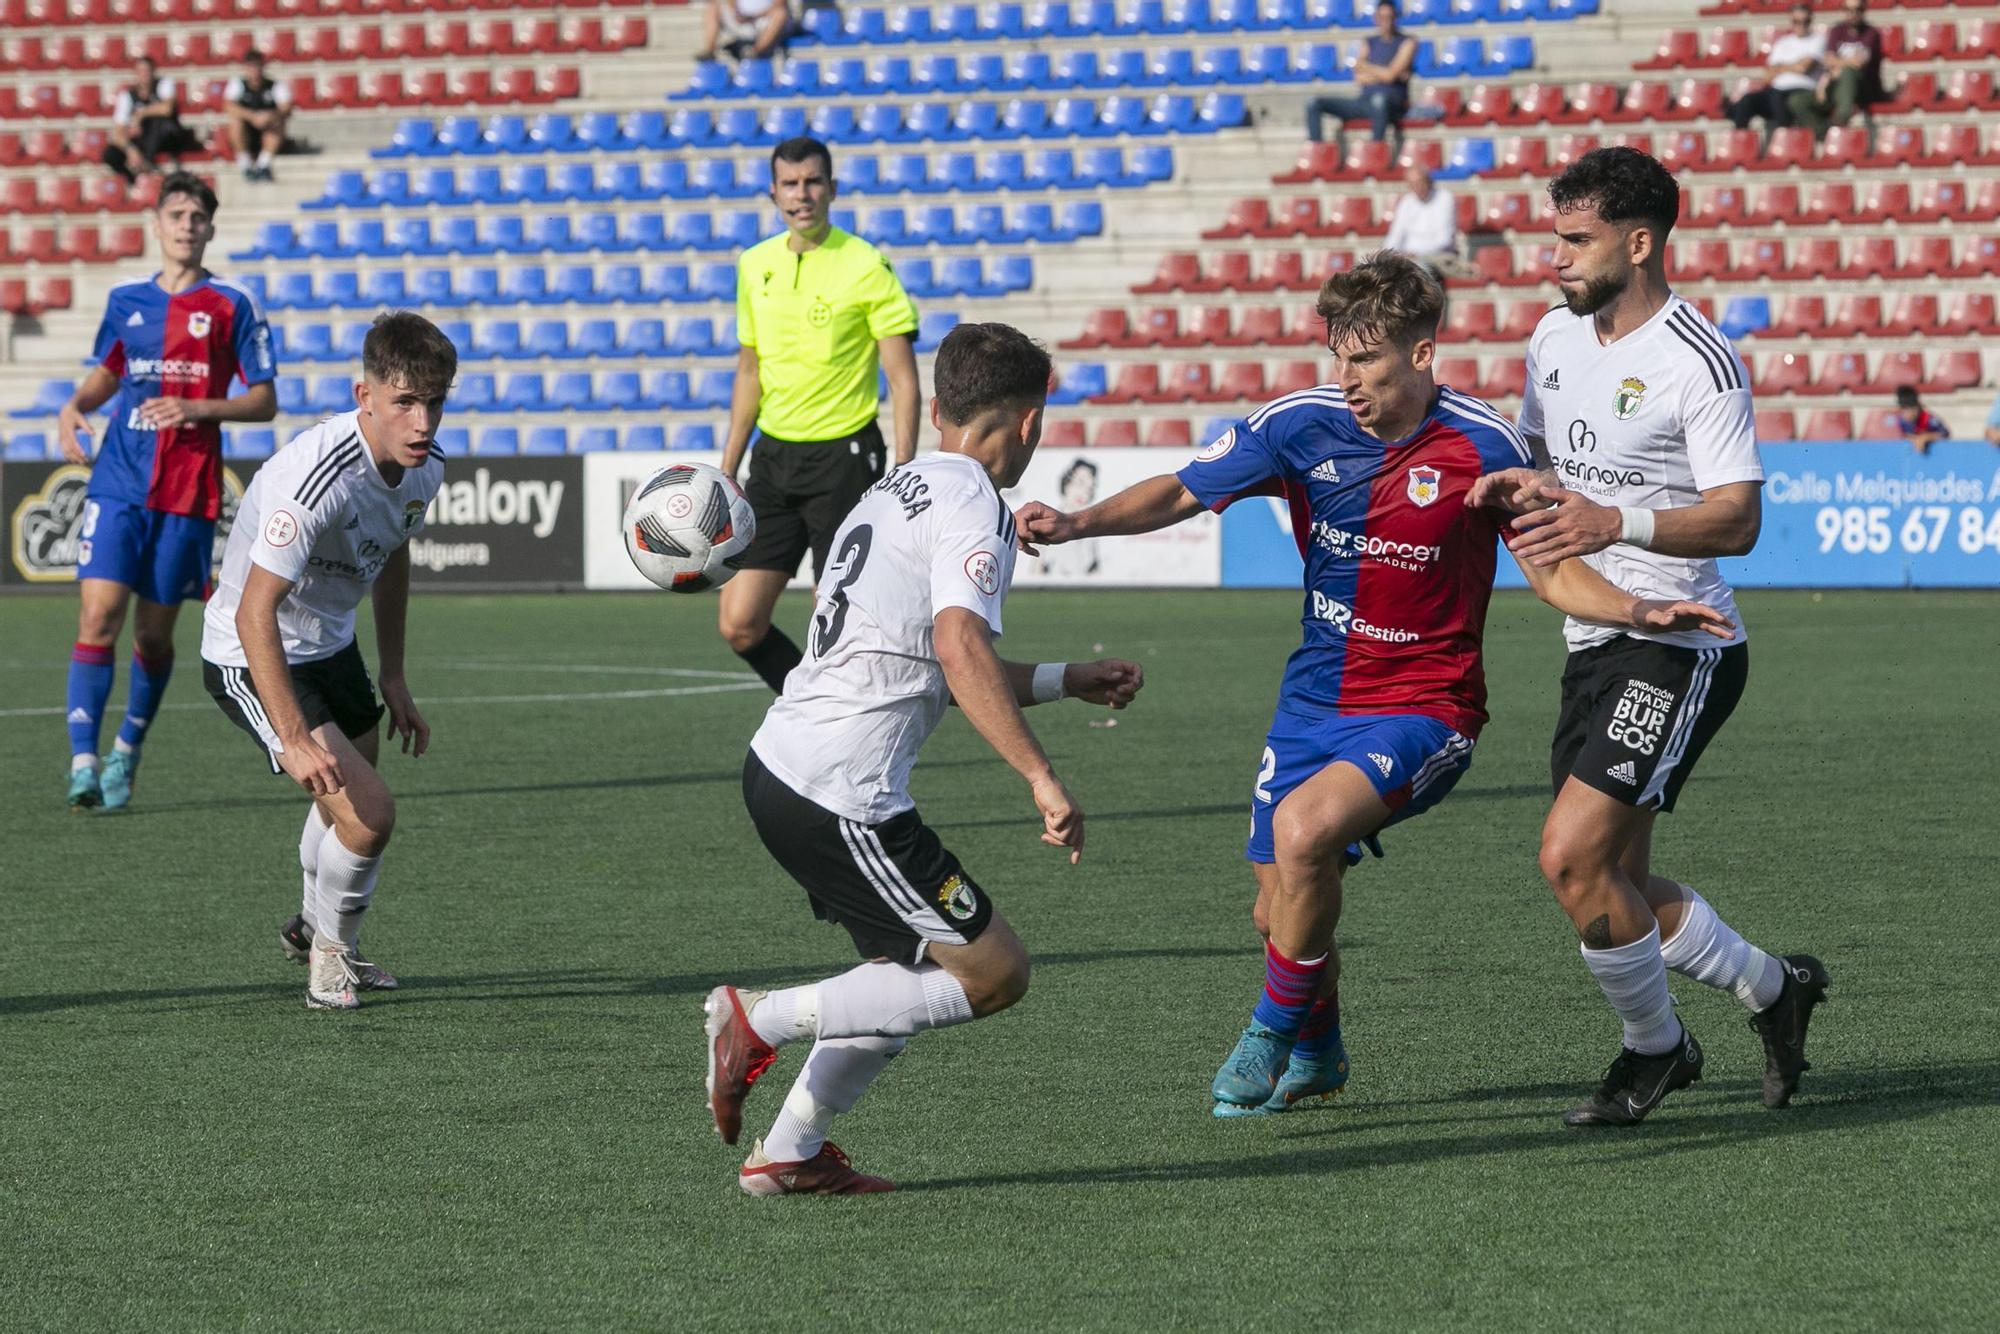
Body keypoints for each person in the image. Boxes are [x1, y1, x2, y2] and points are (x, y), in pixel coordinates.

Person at [1015, 252, 1726, 1117]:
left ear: (1422, 356)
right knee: (1278, 909)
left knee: (1306, 833)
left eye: (1368, 362)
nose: (1347, 381)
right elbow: (1184, 491)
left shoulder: (1483, 444)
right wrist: (1080, 520)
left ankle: (1270, 1031)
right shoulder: (1299, 425)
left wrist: (1631, 608)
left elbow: (1548, 571)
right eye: (1339, 359)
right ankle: (1320, 1053)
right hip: (1313, 701)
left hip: (1429, 705)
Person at [703, 323, 1145, 1194]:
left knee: (904, 976)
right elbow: (956, 645)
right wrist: (1040, 775)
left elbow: (930, 655)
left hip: (784, 768)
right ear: (1029, 424)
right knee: (994, 973)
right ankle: (755, 1020)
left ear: (936, 407)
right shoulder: (974, 504)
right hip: (842, 793)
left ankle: (789, 1154)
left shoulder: (890, 489)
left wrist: (1066, 679)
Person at [1469, 148, 1830, 1127]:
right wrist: (1520, 489)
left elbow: (1738, 519)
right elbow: (1548, 473)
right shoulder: (1549, 337)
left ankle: (1654, 1050)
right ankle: (1772, 986)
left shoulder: (1695, 359)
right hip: (1593, 633)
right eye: (1554, 239)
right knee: (1614, 881)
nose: (1554, 260)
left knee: (1569, 857)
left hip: (1682, 642)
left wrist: (1611, 522)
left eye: (1573, 241)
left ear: (1638, 243)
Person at [199, 312, 454, 1010]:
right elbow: (255, 613)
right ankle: (331, 956)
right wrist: (289, 738)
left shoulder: (424, 470)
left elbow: (394, 555)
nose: (422, 421)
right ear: (363, 395)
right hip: (251, 652)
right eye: (404, 401)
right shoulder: (314, 480)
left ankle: (314, 926)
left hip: (331, 644)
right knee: (369, 814)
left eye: (434, 401)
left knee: (350, 788)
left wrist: (394, 674)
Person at [56, 172, 278, 811]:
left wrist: (195, 407)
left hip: (186, 492)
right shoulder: (126, 300)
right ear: (156, 223)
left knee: (153, 638)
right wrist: (73, 405)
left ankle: (127, 749)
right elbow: (106, 374)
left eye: (198, 215)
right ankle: (83, 761)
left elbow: (263, 401)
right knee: (98, 616)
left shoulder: (233, 304)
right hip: (118, 483)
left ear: (210, 229)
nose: (187, 224)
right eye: (177, 213)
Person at [718, 135, 921, 694]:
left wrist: (903, 467)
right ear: (773, 193)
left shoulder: (866, 265)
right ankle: (807, 708)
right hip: (775, 458)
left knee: (835, 626)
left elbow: (903, 377)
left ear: (832, 188)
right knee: (739, 624)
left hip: (845, 458)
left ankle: (836, 734)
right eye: (790, 184)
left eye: (812, 182)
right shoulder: (753, 264)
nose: (801, 194)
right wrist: (728, 467)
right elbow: (748, 372)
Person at [1304, 1, 1417, 145]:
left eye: (1389, 17)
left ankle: (1375, 149)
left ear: (1396, 17)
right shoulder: (1368, 42)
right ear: (1376, 18)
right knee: (1314, 102)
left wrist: (1369, 68)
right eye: (1382, 17)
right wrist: (1385, 72)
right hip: (1364, 102)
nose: (1386, 22)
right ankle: (1316, 150)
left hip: (1392, 105)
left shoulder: (1408, 42)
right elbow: (1359, 77)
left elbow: (1389, 75)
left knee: (1379, 101)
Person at [1723, 4, 1827, 138]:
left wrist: (1780, 67)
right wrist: (1793, 66)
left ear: (1811, 20)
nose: (1800, 25)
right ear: (1790, 21)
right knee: (1748, 101)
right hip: (1777, 91)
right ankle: (1738, 140)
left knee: (1778, 101)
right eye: (1796, 21)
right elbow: (1767, 75)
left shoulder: (1818, 40)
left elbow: (1804, 68)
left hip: (1801, 90)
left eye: (1805, 21)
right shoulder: (1782, 42)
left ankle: (1781, 141)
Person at [101, 57, 201, 185]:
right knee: (111, 154)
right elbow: (118, 132)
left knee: (156, 120)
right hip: (145, 139)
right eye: (140, 71)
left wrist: (141, 114)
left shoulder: (163, 85)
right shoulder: (127, 97)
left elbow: (167, 109)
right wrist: (130, 150)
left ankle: (146, 162)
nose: (144, 75)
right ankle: (132, 179)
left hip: (169, 136)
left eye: (147, 70)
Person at [1381, 163, 1468, 280]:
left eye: (1420, 182)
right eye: (1413, 184)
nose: (1417, 187)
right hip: (1409, 257)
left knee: (1419, 268)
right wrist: (1385, 254)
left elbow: (1444, 240)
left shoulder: (1444, 199)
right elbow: (1395, 236)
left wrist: (1416, 254)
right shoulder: (1406, 202)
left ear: (1428, 181)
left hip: (1437, 256)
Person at [223, 48, 293, 183]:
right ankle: (245, 164)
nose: (254, 70)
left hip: (268, 130)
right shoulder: (238, 84)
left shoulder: (275, 85)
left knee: (278, 122)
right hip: (247, 131)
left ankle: (263, 164)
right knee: (235, 122)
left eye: (257, 66)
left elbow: (286, 109)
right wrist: (252, 116)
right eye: (251, 66)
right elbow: (228, 106)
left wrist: (270, 116)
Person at [1821, 0, 1887, 130]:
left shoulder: (1871, 33)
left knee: (1848, 72)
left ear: (1864, 10)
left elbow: (1859, 62)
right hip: (1839, 85)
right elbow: (1828, 60)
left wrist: (1838, 65)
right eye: (1849, 9)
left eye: (1858, 9)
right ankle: (1820, 133)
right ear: (1843, 11)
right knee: (1800, 100)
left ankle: (1842, 117)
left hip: (1865, 88)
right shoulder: (1837, 30)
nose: (1853, 13)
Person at [694, 0, 791, 62]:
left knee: (780, 14)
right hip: (742, 20)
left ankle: (756, 52)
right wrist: (736, 12)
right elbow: (731, 2)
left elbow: (780, 4)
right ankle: (710, 51)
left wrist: (755, 16)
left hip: (765, 20)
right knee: (712, 7)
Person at [1891, 385, 1949, 453]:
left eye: (1910, 410)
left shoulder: (1927, 419)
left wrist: (1925, 437)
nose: (1907, 415)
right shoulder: (1898, 420)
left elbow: (1945, 433)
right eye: (1904, 410)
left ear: (1917, 408)